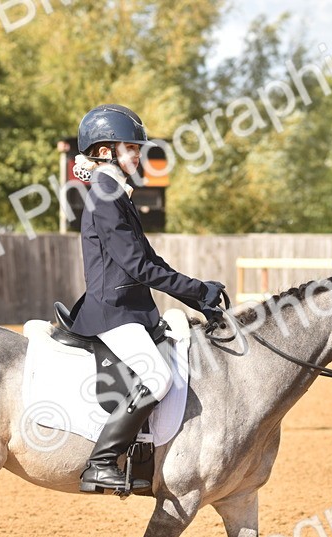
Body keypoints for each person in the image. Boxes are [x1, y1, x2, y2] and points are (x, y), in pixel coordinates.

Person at [69, 103, 226, 494]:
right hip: (113, 311)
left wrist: (196, 295)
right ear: (105, 151)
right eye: (130, 147)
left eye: (137, 147)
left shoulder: (115, 192)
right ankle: (102, 461)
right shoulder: (106, 195)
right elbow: (139, 267)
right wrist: (196, 290)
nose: (138, 154)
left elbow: (150, 259)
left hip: (131, 308)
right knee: (157, 378)